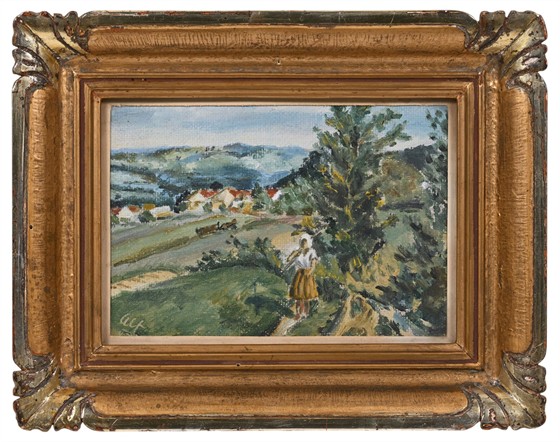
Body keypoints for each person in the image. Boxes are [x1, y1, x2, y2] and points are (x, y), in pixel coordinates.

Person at [286, 234, 319, 319]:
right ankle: (298, 313)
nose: (303, 244)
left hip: (307, 273)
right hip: (299, 274)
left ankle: (305, 313)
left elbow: (313, 265)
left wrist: (308, 274)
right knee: (298, 296)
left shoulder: (312, 251)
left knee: (306, 295)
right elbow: (288, 259)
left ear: (308, 242)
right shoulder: (298, 252)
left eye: (305, 242)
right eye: (302, 242)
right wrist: (296, 253)